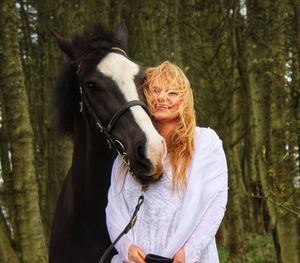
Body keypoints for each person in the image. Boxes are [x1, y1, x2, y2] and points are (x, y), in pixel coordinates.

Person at [106, 61, 228, 263]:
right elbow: (114, 207)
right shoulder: (129, 151)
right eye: (155, 91)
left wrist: (190, 251)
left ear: (184, 100)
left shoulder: (205, 143)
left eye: (172, 93)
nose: (162, 97)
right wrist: (126, 247)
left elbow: (216, 202)